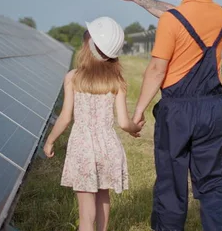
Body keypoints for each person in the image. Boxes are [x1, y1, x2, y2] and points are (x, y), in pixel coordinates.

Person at [107, 0, 222, 231]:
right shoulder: (221, 15)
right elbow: (175, 12)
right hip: (214, 108)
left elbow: (156, 70)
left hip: (178, 110)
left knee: (171, 183)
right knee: (213, 182)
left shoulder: (172, 21)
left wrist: (137, 113)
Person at [43, 16, 145, 231]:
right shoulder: (117, 81)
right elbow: (125, 123)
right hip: (108, 148)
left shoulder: (73, 77)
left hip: (83, 149)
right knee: (103, 197)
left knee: (85, 215)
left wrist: (50, 140)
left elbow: (65, 117)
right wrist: (136, 129)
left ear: (88, 46)